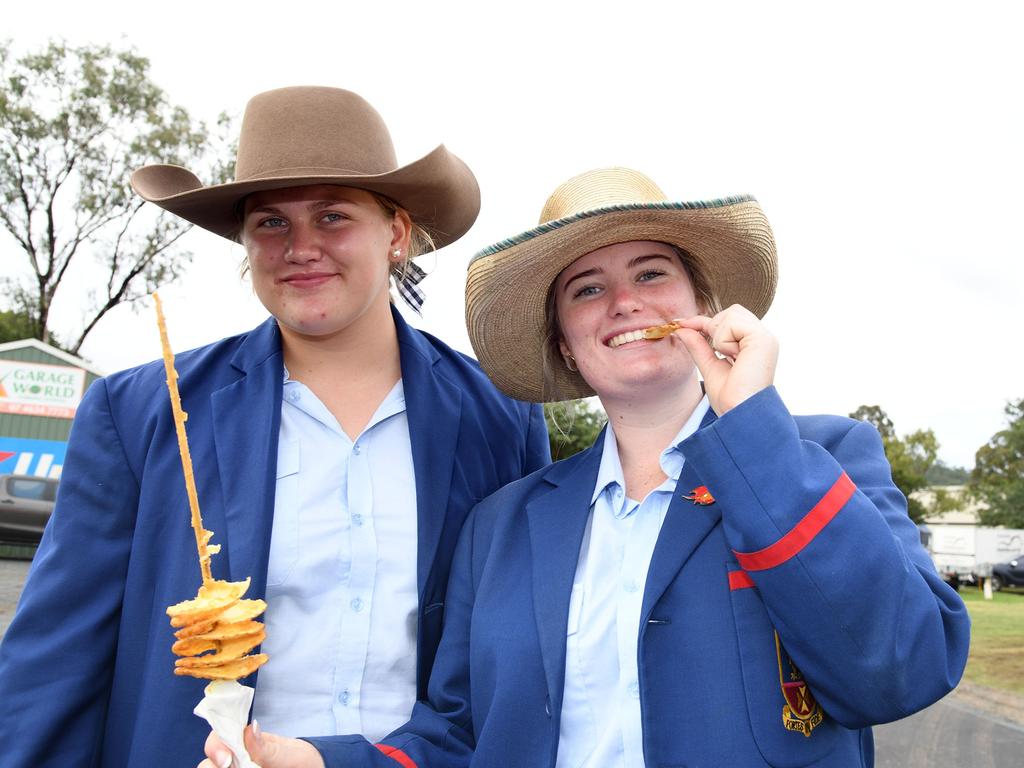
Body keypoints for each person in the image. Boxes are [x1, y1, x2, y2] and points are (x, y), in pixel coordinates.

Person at [206, 166, 971, 768]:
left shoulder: (821, 458)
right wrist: (314, 760)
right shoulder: (502, 526)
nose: (623, 304)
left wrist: (749, 428)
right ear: (566, 345)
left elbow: (900, 669)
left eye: (650, 275)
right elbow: (459, 738)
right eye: (587, 289)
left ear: (703, 305)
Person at [0, 86, 549, 767]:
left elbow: (518, 660)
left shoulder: (502, 418)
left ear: (397, 234)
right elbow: (57, 659)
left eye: (333, 216)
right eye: (270, 223)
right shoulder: (142, 413)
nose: (301, 247)